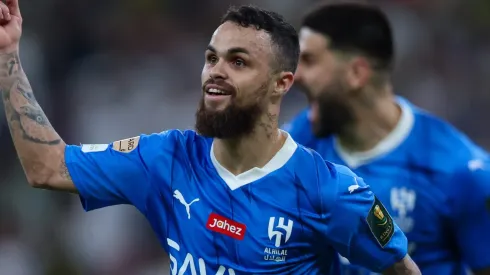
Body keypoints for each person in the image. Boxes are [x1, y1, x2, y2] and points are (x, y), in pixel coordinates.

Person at [0, 1, 421, 274]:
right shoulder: (167, 159)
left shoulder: (329, 190)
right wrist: (7, 54)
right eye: (211, 58)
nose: (216, 71)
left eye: (238, 62)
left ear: (281, 83)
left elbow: (402, 270)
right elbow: (47, 167)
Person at [285, 2, 490, 275]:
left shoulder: (460, 171)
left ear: (356, 73)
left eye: (309, 61)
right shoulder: (296, 145)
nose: (295, 76)